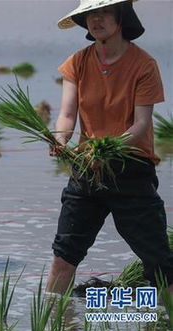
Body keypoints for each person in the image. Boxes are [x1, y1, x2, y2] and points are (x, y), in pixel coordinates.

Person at [47, 0, 173, 293]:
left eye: (104, 12)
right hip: (86, 171)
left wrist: (107, 147)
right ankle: (54, 319)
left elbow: (140, 124)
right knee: (64, 253)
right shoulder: (77, 62)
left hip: (131, 170)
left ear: (121, 18)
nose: (96, 19)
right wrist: (61, 139)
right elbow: (67, 115)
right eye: (91, 14)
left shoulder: (144, 65)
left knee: (158, 260)